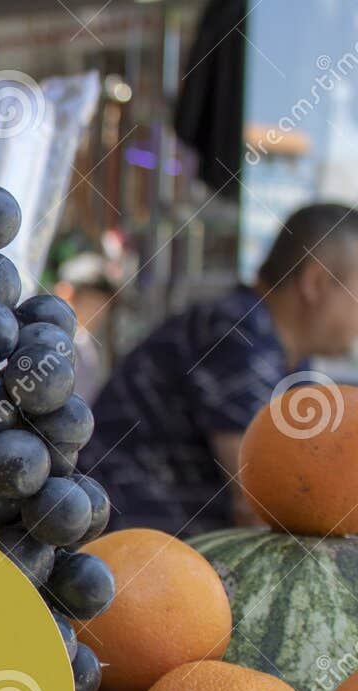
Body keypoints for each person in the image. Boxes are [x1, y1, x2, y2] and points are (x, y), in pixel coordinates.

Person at [83, 203, 358, 536]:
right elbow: (259, 501)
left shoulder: (288, 356)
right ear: (316, 282)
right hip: (115, 550)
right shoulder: (238, 333)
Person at [53, 252, 116, 405]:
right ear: (65, 292)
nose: (101, 312)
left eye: (105, 305)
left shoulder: (90, 345)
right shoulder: (45, 341)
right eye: (93, 303)